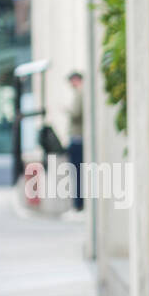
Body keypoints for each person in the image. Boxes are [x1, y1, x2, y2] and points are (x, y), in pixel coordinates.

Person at [67, 71, 84, 212]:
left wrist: (66, 110)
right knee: (77, 173)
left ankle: (78, 204)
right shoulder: (80, 93)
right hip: (77, 138)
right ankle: (78, 203)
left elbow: (76, 113)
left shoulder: (80, 93)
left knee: (77, 173)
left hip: (78, 139)